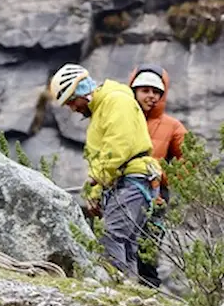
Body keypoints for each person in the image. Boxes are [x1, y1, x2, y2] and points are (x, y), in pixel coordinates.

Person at [50, 63, 163, 280]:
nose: (73, 108)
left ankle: (117, 289)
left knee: (111, 236)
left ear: (82, 91)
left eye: (72, 101)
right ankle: (131, 291)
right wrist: (95, 193)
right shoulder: (101, 110)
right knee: (128, 242)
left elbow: (118, 146)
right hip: (126, 180)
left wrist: (97, 180)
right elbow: (100, 156)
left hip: (132, 178)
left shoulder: (115, 101)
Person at [128, 63, 187, 288]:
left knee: (148, 247)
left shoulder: (173, 127)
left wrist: (161, 175)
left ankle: (148, 293)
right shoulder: (120, 119)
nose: (151, 96)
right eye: (145, 90)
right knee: (116, 241)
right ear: (133, 90)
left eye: (156, 92)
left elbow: (189, 163)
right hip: (118, 188)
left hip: (156, 194)